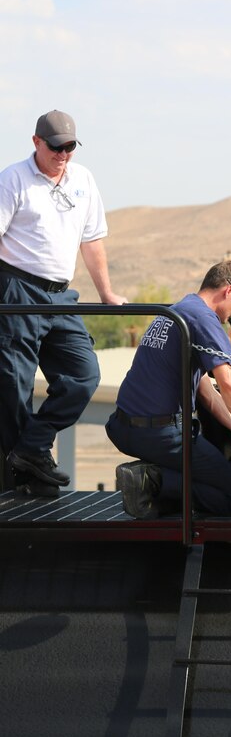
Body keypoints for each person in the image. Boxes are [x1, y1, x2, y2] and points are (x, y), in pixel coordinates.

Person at [0, 109, 127, 497]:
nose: (63, 155)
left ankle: (31, 449)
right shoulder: (13, 179)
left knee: (84, 374)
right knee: (14, 386)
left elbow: (92, 241)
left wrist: (106, 294)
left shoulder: (83, 179)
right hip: (17, 290)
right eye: (56, 147)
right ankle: (24, 480)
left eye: (70, 147)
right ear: (37, 142)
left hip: (62, 296)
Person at [106, 260, 231, 519]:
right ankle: (153, 479)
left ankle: (151, 488)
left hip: (123, 427)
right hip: (161, 435)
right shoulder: (203, 317)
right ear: (229, 291)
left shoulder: (179, 310)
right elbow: (228, 382)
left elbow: (206, 392)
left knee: (202, 481)